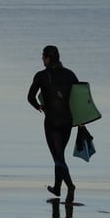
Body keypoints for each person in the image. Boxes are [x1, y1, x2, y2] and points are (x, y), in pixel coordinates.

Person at [27, 45, 79, 204]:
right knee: (60, 155)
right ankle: (57, 187)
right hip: (67, 121)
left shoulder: (41, 76)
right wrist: (82, 121)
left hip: (52, 122)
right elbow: (79, 98)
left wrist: (39, 107)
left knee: (58, 157)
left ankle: (70, 186)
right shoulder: (70, 74)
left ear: (48, 58)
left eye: (43, 56)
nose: (42, 59)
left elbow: (30, 97)